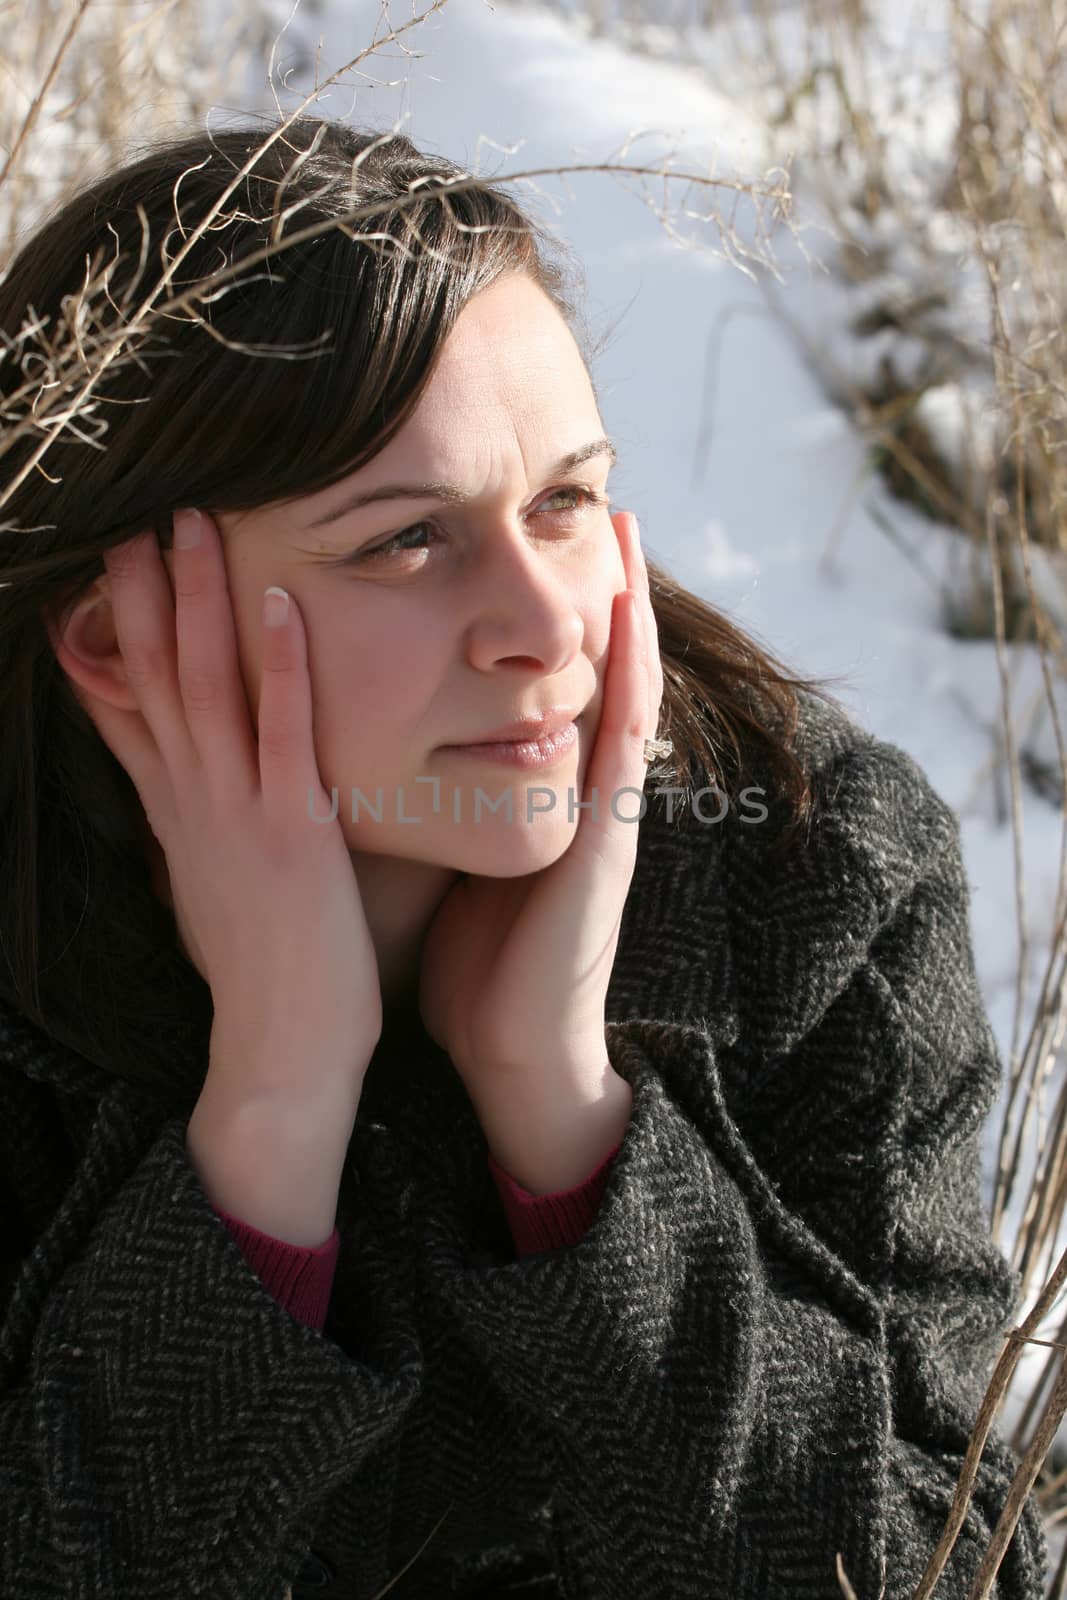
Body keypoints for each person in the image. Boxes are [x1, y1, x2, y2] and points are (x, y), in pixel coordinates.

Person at [0, 114, 1047, 1600]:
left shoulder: (813, 879)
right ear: (115, 627)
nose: (549, 625)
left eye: (564, 500)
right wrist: (271, 1116)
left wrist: (573, 1132)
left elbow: (961, 1568)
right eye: (408, 539)